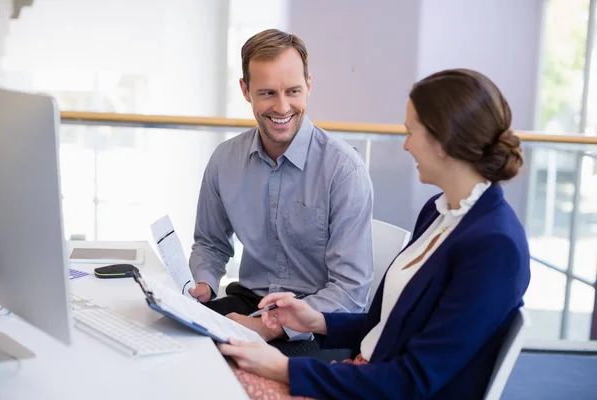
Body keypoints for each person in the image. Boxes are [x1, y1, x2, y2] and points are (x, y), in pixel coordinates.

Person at [218, 68, 531, 400]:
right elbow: (390, 324)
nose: (406, 145)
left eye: (412, 132)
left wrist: (282, 368)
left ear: (444, 141)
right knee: (219, 370)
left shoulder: (495, 247)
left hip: (382, 387)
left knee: (222, 382)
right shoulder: (440, 212)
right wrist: (315, 321)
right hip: (367, 375)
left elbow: (412, 381)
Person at [187, 29, 374, 357]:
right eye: (268, 93)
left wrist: (269, 326)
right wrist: (204, 283)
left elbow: (351, 293)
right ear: (246, 91)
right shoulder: (224, 160)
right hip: (248, 301)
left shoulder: (344, 170)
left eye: (293, 91)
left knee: (235, 369)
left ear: (309, 85)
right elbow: (210, 244)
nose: (282, 106)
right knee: (177, 340)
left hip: (316, 322)